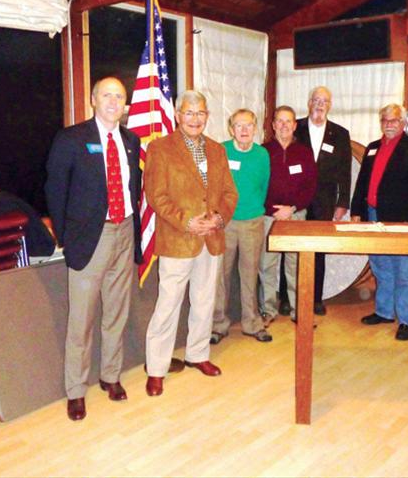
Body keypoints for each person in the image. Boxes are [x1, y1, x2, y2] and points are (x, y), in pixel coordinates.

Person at [45, 76, 142, 421]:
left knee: (116, 312)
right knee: (81, 319)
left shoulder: (132, 140)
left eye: (119, 96)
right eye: (107, 95)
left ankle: (110, 376)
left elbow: (134, 188)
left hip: (125, 230)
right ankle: (76, 389)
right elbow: (55, 190)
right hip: (91, 237)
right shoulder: (72, 138)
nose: (114, 101)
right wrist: (65, 236)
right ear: (93, 99)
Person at [143, 90, 238, 396]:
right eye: (189, 113)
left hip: (211, 237)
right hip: (177, 238)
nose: (195, 119)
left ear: (207, 116)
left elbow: (229, 193)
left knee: (204, 300)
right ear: (177, 114)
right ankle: (156, 368)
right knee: (167, 305)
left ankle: (198, 355)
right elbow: (155, 196)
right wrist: (186, 220)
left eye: (200, 113)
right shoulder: (160, 148)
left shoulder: (217, 150)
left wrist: (219, 219)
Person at [350, 103, 408, 341]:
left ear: (403, 123)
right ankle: (384, 312)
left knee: (404, 270)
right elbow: (362, 182)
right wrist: (357, 210)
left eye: (394, 120)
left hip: (402, 220)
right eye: (385, 120)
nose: (389, 124)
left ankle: (406, 320)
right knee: (380, 266)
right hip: (374, 215)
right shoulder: (372, 148)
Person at [212, 109, 272, 345]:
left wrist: (253, 209)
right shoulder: (221, 150)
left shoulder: (262, 155)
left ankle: (252, 323)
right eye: (239, 125)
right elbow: (213, 185)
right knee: (221, 275)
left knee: (250, 274)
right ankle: (218, 325)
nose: (244, 130)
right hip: (224, 223)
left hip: (252, 222)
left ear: (255, 128)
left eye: (248, 125)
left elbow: (263, 186)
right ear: (231, 129)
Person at [295, 86, 351, 316]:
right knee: (291, 248)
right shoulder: (294, 127)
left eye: (324, 101)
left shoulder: (340, 134)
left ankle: (315, 299)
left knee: (318, 250)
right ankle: (289, 298)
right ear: (309, 103)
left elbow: (345, 171)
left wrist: (342, 203)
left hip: (325, 201)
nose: (319, 104)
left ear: (330, 105)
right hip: (295, 199)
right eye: (316, 100)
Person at [259, 105, 317, 323]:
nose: (284, 125)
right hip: (268, 217)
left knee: (295, 264)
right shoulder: (262, 151)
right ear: (273, 125)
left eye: (288, 121)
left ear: (295, 125)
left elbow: (310, 186)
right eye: (279, 121)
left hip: (296, 215)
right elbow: (257, 186)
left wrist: (291, 208)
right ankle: (268, 310)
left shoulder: (304, 152)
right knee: (267, 264)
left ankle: (298, 311)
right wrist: (272, 210)